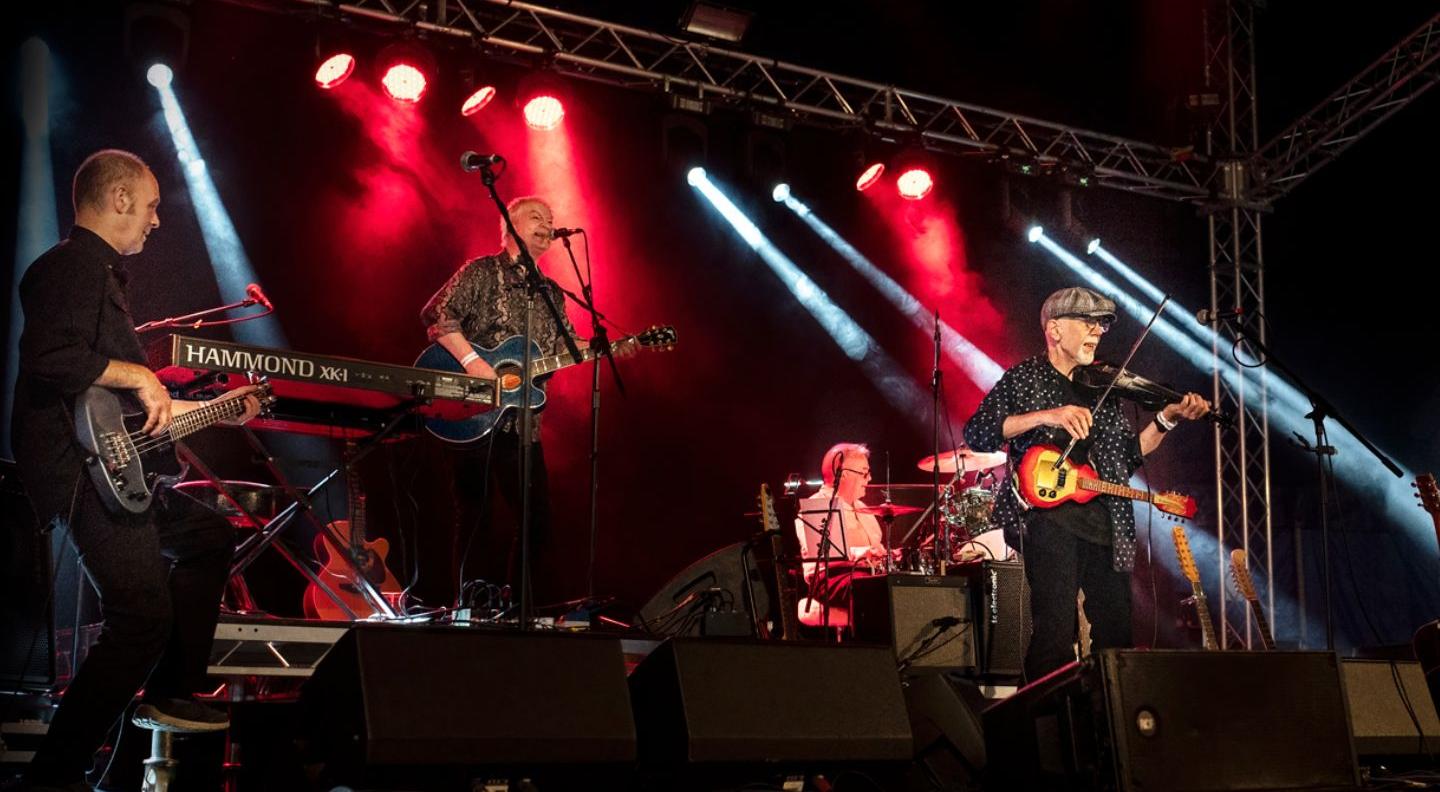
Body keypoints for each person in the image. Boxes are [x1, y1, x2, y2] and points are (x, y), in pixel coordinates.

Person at [12, 149, 259, 790]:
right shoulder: (70, 266)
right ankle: (51, 779)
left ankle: (173, 694)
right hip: (79, 469)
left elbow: (124, 404)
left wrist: (220, 409)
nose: (155, 221)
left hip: (115, 466)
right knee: (141, 617)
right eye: (150, 206)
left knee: (210, 537)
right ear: (119, 198)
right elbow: (50, 356)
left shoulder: (103, 278)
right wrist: (140, 373)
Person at [963, 286, 1210, 681]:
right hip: (1049, 521)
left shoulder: (1104, 388)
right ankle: (1046, 729)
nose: (1098, 331)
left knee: (1117, 638)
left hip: (1109, 524)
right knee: (1055, 635)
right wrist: (1048, 416)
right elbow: (979, 432)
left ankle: (1105, 729)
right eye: (1089, 322)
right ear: (1055, 330)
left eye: (1102, 325)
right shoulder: (1025, 377)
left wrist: (1167, 419)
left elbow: (1126, 458)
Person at [420, 196, 579, 611]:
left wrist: (614, 346)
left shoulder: (552, 293)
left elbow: (566, 346)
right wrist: (474, 363)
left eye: (551, 218)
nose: (547, 224)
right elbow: (437, 314)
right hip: (470, 411)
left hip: (522, 424)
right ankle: (470, 609)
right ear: (509, 224)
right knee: (476, 515)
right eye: (536, 217)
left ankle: (527, 611)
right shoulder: (481, 271)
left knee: (536, 519)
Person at [794, 443, 888, 619]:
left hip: (867, 575)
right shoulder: (817, 507)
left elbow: (876, 550)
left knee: (898, 584)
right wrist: (865, 552)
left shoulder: (864, 508)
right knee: (874, 590)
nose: (869, 478)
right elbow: (825, 554)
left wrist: (888, 554)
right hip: (830, 579)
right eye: (864, 472)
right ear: (844, 473)